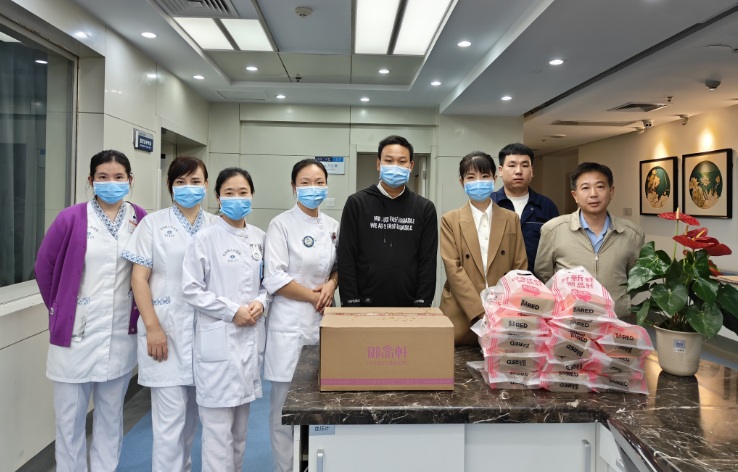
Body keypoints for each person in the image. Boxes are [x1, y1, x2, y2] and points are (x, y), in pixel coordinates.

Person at [35, 150, 147, 472]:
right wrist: (60, 309)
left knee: (111, 416)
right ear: (91, 180)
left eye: (118, 176)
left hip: (119, 333)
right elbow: (44, 267)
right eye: (103, 177)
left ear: (129, 180)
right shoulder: (70, 218)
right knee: (69, 418)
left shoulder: (140, 218)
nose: (111, 182)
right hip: (75, 334)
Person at [123, 156, 218, 472]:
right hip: (166, 329)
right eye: (181, 182)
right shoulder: (152, 224)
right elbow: (139, 280)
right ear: (170, 186)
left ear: (206, 185)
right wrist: (152, 327)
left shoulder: (216, 225)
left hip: (207, 333)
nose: (188, 187)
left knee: (192, 422)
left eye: (195, 181)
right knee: (168, 424)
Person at [181, 167, 270, 472]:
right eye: (229, 193)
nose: (237, 198)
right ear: (218, 197)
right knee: (218, 436)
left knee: (240, 434)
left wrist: (260, 302)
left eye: (243, 192)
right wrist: (232, 311)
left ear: (252, 195)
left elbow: (267, 284)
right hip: (218, 343)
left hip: (249, 343)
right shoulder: (204, 238)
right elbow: (191, 290)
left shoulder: (260, 237)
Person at [263, 159, 339, 472]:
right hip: (289, 323)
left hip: (322, 322)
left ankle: (316, 464)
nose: (312, 188)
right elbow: (274, 277)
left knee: (320, 403)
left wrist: (331, 285)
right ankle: (286, 467)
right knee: (284, 408)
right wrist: (314, 296)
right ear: (294, 187)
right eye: (305, 183)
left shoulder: (333, 226)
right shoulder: (280, 224)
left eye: (319, 182)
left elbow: (339, 267)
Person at [535, 162, 645, 318]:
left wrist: (620, 301)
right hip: (569, 320)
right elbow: (544, 275)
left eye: (600, 187)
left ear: (611, 191)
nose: (593, 194)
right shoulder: (553, 230)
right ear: (575, 195)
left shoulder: (633, 234)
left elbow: (635, 279)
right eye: (585, 188)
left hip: (614, 320)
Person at [339, 135, 438, 307]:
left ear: (411, 166)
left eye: (402, 161)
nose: (395, 166)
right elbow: (346, 257)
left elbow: (427, 261)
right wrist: (350, 302)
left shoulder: (424, 208)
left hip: (411, 304)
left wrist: (423, 303)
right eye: (389, 160)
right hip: (363, 303)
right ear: (379, 164)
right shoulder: (357, 203)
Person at [440, 151, 528, 344]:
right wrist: (481, 313)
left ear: (494, 179)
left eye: (485, 176)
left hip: (503, 313)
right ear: (462, 182)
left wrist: (500, 310)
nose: (478, 182)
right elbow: (454, 270)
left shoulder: (511, 218)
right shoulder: (450, 220)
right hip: (461, 313)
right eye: (471, 177)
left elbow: (519, 268)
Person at [491, 143, 559, 276]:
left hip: (537, 284)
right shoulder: (489, 204)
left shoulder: (547, 206)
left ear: (532, 171)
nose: (518, 171)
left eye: (525, 165)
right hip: (496, 284)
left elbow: (557, 249)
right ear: (500, 170)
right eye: (512, 165)